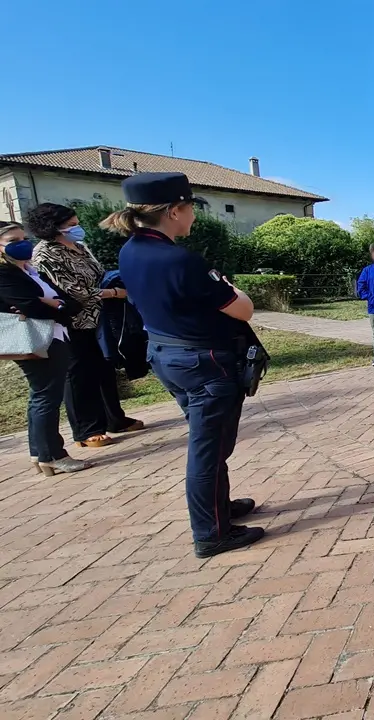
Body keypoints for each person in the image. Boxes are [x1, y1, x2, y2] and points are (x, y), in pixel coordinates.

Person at [112, 172, 262, 558]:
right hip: (204, 362)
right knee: (208, 448)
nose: (194, 215)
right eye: (192, 207)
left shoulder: (131, 250)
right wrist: (233, 287)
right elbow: (242, 308)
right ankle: (212, 533)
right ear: (175, 211)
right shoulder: (180, 259)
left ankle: (219, 509)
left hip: (169, 355)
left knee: (211, 441)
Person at [29, 203, 143, 448]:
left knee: (104, 368)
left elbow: (98, 273)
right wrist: (113, 292)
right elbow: (73, 291)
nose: (77, 228)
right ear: (52, 227)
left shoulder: (79, 247)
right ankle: (86, 429)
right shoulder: (45, 254)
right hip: (72, 320)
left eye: (76, 223)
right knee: (79, 373)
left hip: (99, 318)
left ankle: (115, 418)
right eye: (71, 225)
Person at [0, 221, 89, 475]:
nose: (22, 244)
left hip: (53, 334)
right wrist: (51, 305)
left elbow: (72, 303)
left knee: (41, 395)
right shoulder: (5, 274)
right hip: (37, 339)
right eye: (13, 241)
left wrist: (54, 304)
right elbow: (31, 306)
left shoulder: (31, 271)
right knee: (46, 396)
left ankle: (38, 453)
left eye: (23, 238)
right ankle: (52, 454)